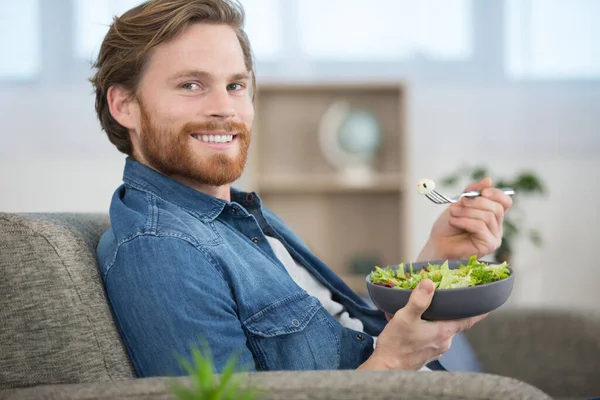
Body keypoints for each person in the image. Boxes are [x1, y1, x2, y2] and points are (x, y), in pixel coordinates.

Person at [92, 0, 513, 378]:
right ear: (124, 105)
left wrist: (437, 260)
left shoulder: (241, 215)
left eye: (236, 85)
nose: (225, 107)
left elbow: (354, 335)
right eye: (191, 85)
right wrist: (394, 364)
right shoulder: (163, 248)